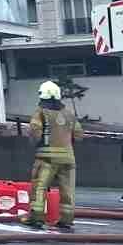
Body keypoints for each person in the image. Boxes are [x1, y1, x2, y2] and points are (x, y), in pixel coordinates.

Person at [23, 80, 84, 230]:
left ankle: (36, 218)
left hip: (46, 159)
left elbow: (35, 132)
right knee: (67, 191)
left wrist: (35, 142)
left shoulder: (41, 112)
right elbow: (79, 135)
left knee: (39, 187)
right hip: (68, 159)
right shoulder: (69, 114)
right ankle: (67, 219)